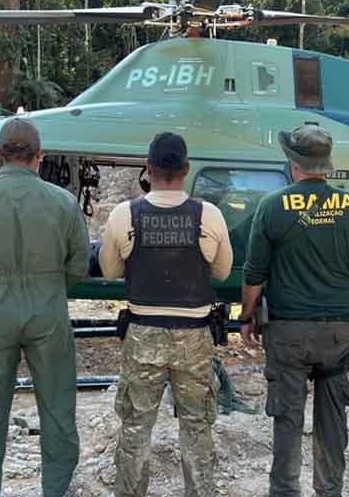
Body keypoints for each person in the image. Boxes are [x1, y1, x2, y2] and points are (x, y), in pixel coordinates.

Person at [239, 124, 349, 497]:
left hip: (288, 331)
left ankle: (285, 492)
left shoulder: (273, 206)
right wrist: (339, 282)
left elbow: (254, 272)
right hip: (337, 332)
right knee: (333, 418)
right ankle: (329, 490)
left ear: (293, 164)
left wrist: (246, 316)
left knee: (287, 419)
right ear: (327, 165)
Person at [0, 117, 90, 497]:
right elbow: (78, 266)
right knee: (58, 410)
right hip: (47, 310)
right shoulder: (63, 202)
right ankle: (56, 490)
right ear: (38, 156)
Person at [99, 132, 233, 497]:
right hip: (194, 337)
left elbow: (109, 271)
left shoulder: (124, 214)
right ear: (186, 169)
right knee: (197, 428)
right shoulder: (210, 215)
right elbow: (221, 272)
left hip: (143, 335)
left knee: (135, 429)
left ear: (148, 168)